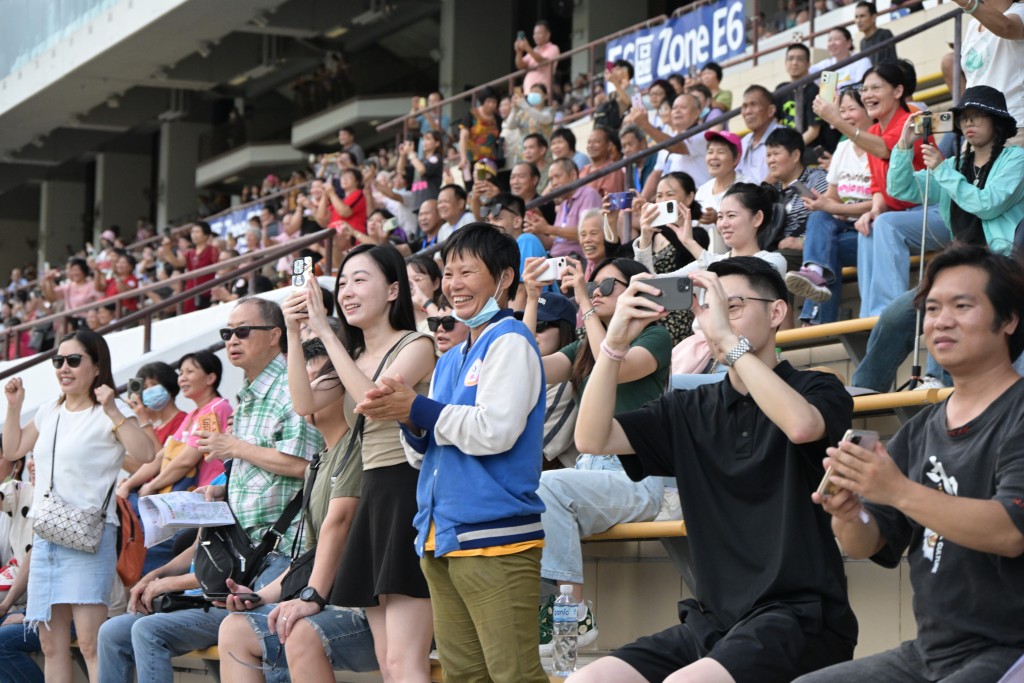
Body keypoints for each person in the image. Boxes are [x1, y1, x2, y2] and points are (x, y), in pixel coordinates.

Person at [566, 256, 857, 683]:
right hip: (714, 622)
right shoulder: (689, 407)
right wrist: (613, 344)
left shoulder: (816, 388)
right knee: (587, 681)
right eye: (709, 304)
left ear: (776, 312)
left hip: (802, 617)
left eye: (731, 304)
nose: (715, 316)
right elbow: (591, 439)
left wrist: (727, 341)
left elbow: (801, 426)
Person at [796, 244, 1024, 683]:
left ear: (1009, 319)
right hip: (931, 654)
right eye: (934, 308)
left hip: (1009, 649)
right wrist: (850, 512)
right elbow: (866, 543)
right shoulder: (920, 430)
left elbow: (1010, 532)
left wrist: (896, 488)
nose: (942, 320)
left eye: (963, 305)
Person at [356, 223, 550, 683]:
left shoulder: (511, 340)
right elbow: (423, 457)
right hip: (442, 537)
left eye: (467, 272)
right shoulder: (452, 356)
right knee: (464, 675)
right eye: (448, 273)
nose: (454, 284)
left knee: (513, 674)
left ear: (504, 278)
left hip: (497, 539)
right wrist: (407, 417)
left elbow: (495, 431)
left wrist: (418, 407)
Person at [96, 297, 324, 683]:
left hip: (278, 560)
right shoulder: (248, 396)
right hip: (234, 555)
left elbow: (306, 468)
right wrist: (222, 491)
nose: (232, 340)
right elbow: (257, 471)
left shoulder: (289, 388)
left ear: (274, 336)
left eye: (242, 331)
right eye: (226, 333)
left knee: (146, 630)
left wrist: (234, 448)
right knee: (112, 632)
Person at [294, 243, 436, 683]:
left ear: (394, 289)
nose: (347, 291)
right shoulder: (351, 356)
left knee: (406, 661)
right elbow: (303, 402)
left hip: (410, 489)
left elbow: (371, 401)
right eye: (342, 283)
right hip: (374, 493)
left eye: (360, 280)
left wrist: (326, 330)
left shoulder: (418, 344)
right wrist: (293, 328)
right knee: (387, 661)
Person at [521, 254, 671, 654]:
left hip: (634, 476)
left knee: (543, 487)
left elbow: (617, 365)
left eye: (607, 286)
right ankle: (560, 627)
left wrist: (584, 302)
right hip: (590, 473)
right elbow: (526, 368)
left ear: (636, 293)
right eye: (594, 285)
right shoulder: (583, 346)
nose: (597, 293)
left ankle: (570, 612)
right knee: (518, 493)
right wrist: (532, 300)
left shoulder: (655, 336)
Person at [215, 337, 375, 682]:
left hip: (367, 610)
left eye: (311, 379)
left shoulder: (356, 448)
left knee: (300, 630)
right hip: (330, 601)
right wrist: (260, 596)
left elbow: (340, 524)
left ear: (343, 387)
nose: (298, 391)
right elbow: (311, 557)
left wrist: (311, 597)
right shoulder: (319, 461)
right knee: (235, 628)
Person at [3, 329, 156, 682]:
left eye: (74, 360)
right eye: (58, 361)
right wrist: (13, 408)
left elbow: (147, 454)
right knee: (51, 643)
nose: (64, 368)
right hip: (47, 536)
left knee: (89, 641)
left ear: (97, 365)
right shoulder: (49, 410)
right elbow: (13, 450)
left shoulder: (107, 413)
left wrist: (114, 409)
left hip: (90, 535)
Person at [813, 62, 934, 317]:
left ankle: (892, 312)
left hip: (930, 211)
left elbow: (885, 149)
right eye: (865, 89)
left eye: (875, 88)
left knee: (885, 224)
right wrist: (874, 209)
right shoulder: (874, 130)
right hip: (900, 214)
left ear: (898, 91)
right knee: (869, 226)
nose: (867, 94)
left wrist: (836, 119)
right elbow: (879, 188)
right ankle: (870, 315)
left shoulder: (914, 119)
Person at [786, 87, 874, 325]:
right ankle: (814, 272)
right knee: (819, 220)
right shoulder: (843, 148)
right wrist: (823, 202)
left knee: (824, 248)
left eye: (851, 109)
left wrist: (832, 208)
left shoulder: (878, 144)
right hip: (844, 228)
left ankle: (815, 318)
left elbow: (880, 203)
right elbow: (834, 196)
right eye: (841, 109)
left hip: (871, 230)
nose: (844, 115)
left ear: (869, 109)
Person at [634, 182, 788, 278]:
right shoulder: (707, 263)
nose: (723, 224)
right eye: (720, 217)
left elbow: (739, 275)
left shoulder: (774, 261)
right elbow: (651, 283)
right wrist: (645, 238)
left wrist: (690, 243)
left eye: (731, 215)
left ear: (757, 218)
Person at [627, 172, 711, 343]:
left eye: (670, 194)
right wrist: (643, 235)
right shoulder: (652, 234)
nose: (662, 201)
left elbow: (687, 254)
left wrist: (661, 224)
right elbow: (633, 268)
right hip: (651, 310)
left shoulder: (698, 235)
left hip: (683, 312)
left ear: (689, 198)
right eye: (659, 196)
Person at [626, 93, 710, 192]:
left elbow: (676, 146)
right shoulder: (669, 137)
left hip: (697, 200)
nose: (677, 111)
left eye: (683, 107)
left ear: (696, 113)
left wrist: (645, 124)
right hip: (673, 201)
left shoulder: (702, 134)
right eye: (674, 108)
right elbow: (657, 173)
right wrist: (643, 199)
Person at [765, 127, 829, 251]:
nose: (771, 160)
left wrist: (804, 241)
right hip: (775, 252)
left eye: (776, 154)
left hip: (807, 250)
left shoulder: (816, 178)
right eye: (768, 155)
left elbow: (829, 215)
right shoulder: (771, 191)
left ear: (795, 155)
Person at [524, 158, 602, 259]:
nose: (554, 183)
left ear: (573, 175)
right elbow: (555, 242)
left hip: (576, 258)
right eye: (551, 179)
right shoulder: (564, 201)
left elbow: (585, 233)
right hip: (555, 258)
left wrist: (548, 228)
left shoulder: (588, 194)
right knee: (527, 239)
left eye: (557, 176)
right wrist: (536, 230)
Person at [484, 192, 546, 308]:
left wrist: (513, 325)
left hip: (543, 318)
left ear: (517, 221)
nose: (490, 225)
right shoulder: (500, 252)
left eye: (497, 219)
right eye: (488, 220)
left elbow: (520, 292)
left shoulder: (526, 240)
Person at [774, 44, 838, 156]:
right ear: (785, 63)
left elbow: (813, 132)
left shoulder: (814, 91)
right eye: (790, 58)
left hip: (811, 150)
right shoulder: (781, 89)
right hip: (789, 147)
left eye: (800, 59)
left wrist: (790, 151)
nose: (794, 62)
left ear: (808, 64)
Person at [695, 130, 751, 252]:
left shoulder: (747, 187)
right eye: (710, 152)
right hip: (702, 254)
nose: (713, 157)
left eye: (720, 152)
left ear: (736, 159)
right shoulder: (703, 190)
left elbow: (749, 230)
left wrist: (717, 220)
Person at [159, 222, 220, 314]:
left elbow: (218, 270)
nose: (194, 235)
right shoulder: (189, 252)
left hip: (207, 292)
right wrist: (167, 250)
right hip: (190, 293)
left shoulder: (212, 250)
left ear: (206, 235)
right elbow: (177, 263)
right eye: (192, 232)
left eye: (197, 232)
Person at [736, 85, 784, 183]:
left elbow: (780, 174)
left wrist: (757, 195)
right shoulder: (744, 142)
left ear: (771, 110)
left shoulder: (784, 136)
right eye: (745, 106)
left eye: (753, 105)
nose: (748, 111)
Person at [40, 258, 100, 330]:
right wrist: (49, 280)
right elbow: (52, 296)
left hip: (87, 322)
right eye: (72, 270)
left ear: (84, 270)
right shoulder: (68, 286)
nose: (74, 273)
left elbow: (98, 299)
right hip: (70, 322)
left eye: (77, 270)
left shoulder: (91, 285)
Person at [459, 88, 501, 178]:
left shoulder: (497, 119)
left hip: (490, 161)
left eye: (494, 102)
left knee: (487, 184)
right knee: (472, 185)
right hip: (471, 159)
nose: (491, 105)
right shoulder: (471, 114)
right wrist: (463, 157)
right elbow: (463, 137)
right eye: (489, 101)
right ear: (483, 101)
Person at [515, 20, 561, 95]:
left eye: (539, 33)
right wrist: (519, 52)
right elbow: (520, 65)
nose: (536, 36)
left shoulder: (553, 48)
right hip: (528, 91)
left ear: (548, 34)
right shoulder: (534, 51)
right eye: (534, 33)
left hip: (542, 90)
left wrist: (527, 48)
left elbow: (542, 61)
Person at [579, 126, 625, 197]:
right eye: (589, 142)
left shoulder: (613, 170)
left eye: (596, 142)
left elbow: (611, 203)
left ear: (609, 146)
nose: (591, 145)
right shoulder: (583, 170)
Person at [408, 254, 444, 332]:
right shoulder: (401, 322)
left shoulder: (447, 311)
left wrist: (423, 301)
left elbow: (445, 329)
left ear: (435, 283)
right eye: (406, 281)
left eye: (417, 279)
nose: (410, 285)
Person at [620, 124, 659, 194]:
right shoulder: (631, 167)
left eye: (630, 144)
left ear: (643, 143)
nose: (627, 150)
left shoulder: (657, 160)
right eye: (624, 146)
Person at [855, 2, 896, 66]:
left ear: (873, 17)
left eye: (862, 16)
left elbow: (890, 62)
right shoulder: (862, 42)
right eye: (856, 17)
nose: (858, 21)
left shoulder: (885, 34)